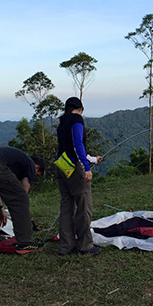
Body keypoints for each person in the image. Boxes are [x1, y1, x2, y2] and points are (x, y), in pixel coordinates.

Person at [56, 97, 103, 256]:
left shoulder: (62, 122)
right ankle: (85, 246)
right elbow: (77, 144)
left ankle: (65, 246)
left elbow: (69, 147)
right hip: (74, 168)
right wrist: (86, 167)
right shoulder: (76, 119)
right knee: (84, 205)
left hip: (61, 166)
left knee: (66, 206)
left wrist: (91, 159)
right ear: (81, 108)